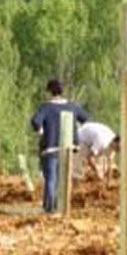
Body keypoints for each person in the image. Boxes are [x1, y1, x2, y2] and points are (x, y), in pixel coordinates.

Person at [30, 79, 89, 213]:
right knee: (63, 179)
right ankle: (60, 206)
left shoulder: (46, 107)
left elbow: (35, 121)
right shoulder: (72, 106)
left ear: (50, 92)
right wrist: (76, 131)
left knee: (51, 179)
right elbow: (85, 118)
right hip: (69, 148)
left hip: (50, 148)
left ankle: (50, 208)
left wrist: (41, 131)